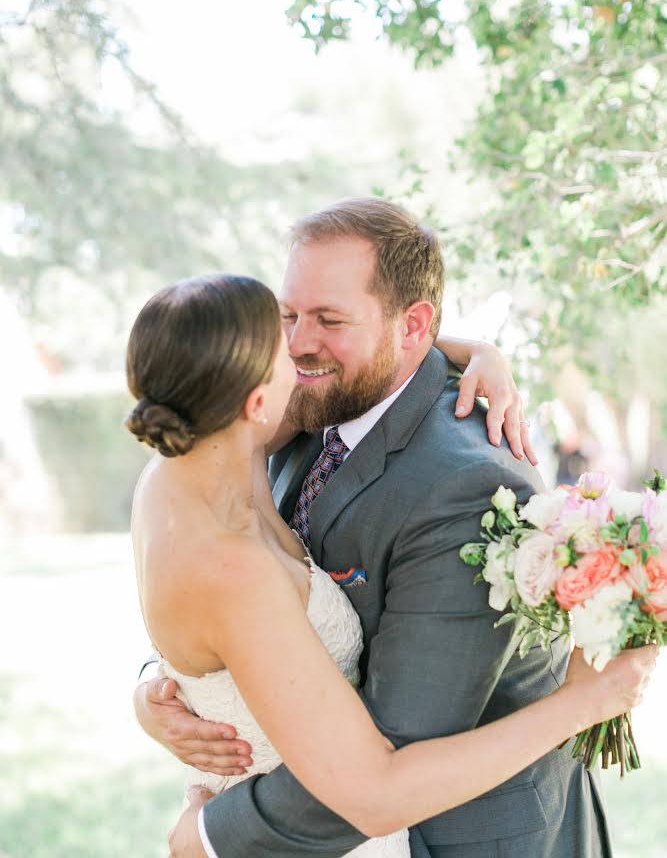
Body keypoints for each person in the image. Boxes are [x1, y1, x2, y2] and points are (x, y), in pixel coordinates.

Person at [133, 200, 648, 858]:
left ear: (414, 326)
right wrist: (161, 690)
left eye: (329, 320)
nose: (295, 344)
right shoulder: (284, 412)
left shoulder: (463, 489)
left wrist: (208, 837)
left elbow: (387, 767)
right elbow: (214, 591)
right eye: (286, 316)